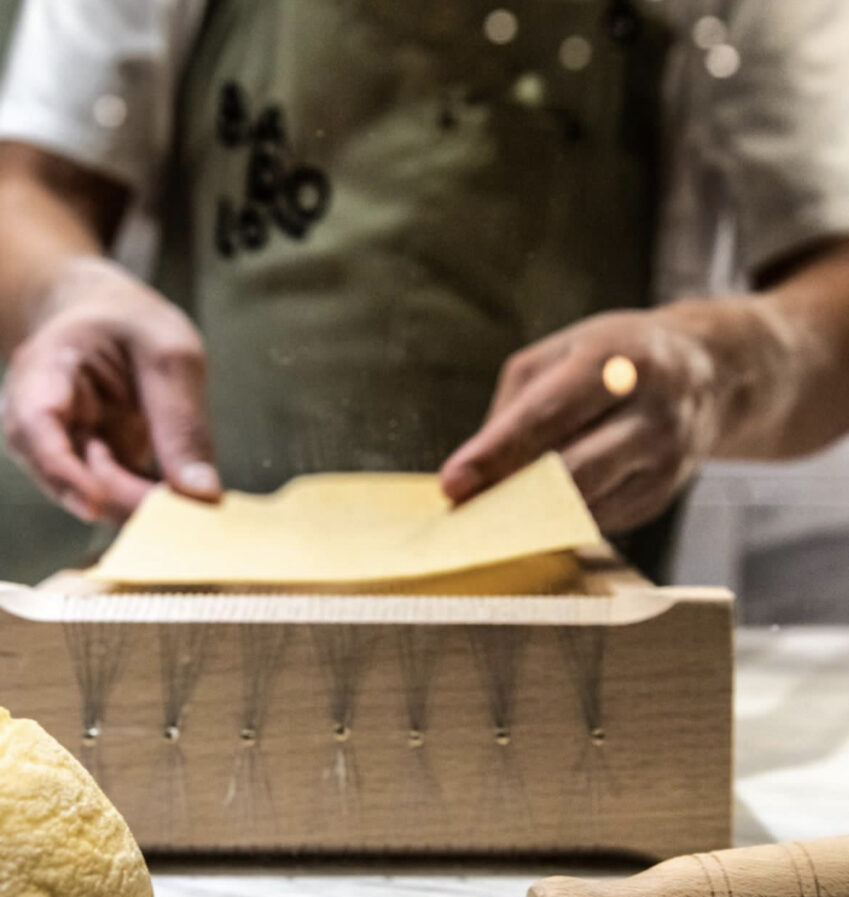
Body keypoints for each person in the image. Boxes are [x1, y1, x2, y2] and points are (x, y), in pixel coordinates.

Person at [2, 0, 849, 584]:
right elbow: (29, 185)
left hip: (589, 610)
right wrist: (64, 294)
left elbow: (833, 295)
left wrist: (715, 364)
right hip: (194, 583)